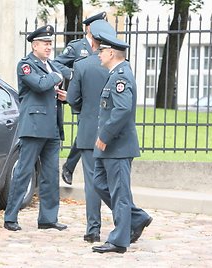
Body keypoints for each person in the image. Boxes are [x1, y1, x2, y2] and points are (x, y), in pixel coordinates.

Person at [91, 33, 153, 253]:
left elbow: (123, 109)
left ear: (110, 53)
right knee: (99, 183)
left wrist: (105, 135)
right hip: (110, 147)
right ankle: (137, 218)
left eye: (101, 51)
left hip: (116, 145)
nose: (98, 54)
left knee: (120, 192)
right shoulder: (115, 73)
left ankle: (119, 240)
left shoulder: (121, 76)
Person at [3, 25, 68, 232]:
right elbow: (40, 85)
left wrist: (61, 95)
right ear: (34, 45)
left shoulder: (51, 66)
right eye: (45, 44)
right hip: (33, 127)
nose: (49, 47)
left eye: (50, 44)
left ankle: (48, 218)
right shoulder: (26, 65)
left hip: (51, 127)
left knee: (50, 175)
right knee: (23, 172)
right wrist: (57, 78)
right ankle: (10, 216)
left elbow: (53, 87)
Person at [66, 19, 116, 243]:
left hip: (87, 132)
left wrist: (85, 110)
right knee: (116, 182)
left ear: (92, 41)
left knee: (92, 183)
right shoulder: (120, 65)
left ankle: (93, 229)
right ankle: (126, 224)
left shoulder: (82, 65)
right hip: (113, 131)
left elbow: (72, 99)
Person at [54, 11, 107, 185]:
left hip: (99, 96)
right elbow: (56, 63)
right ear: (89, 28)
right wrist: (72, 74)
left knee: (88, 133)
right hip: (80, 96)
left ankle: (70, 166)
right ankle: (69, 167)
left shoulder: (106, 46)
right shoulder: (77, 47)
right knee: (85, 132)